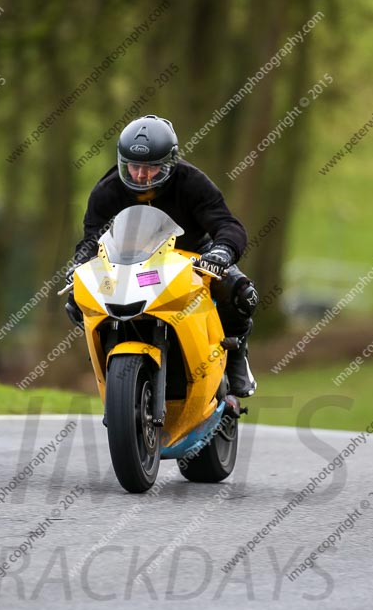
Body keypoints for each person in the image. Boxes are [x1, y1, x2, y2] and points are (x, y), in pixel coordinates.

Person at [65, 114, 258, 398]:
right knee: (76, 298)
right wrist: (80, 264)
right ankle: (107, 347)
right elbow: (91, 237)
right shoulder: (107, 190)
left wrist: (222, 250)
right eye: (133, 166)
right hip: (125, 262)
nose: (141, 175)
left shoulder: (192, 182)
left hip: (192, 256)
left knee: (241, 292)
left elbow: (227, 225)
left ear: (170, 162)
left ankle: (236, 353)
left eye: (151, 167)